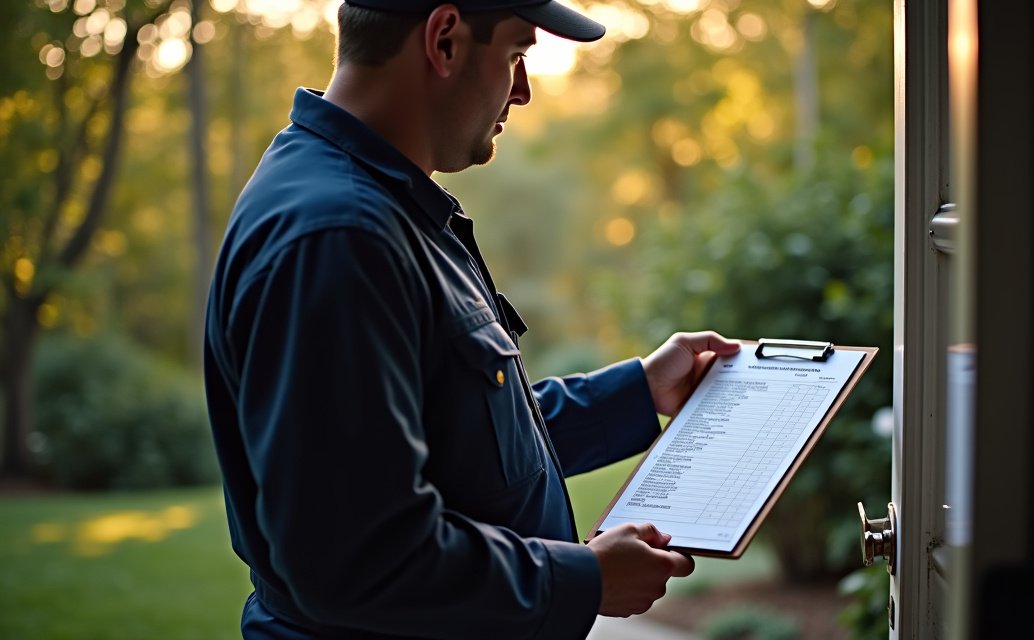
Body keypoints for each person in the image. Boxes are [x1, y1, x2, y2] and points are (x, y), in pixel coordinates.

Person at [202, 1, 741, 638]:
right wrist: (582, 578)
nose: (524, 91)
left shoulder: (379, 207)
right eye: (516, 54)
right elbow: (355, 560)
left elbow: (462, 447)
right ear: (446, 39)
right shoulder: (340, 236)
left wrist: (636, 393)